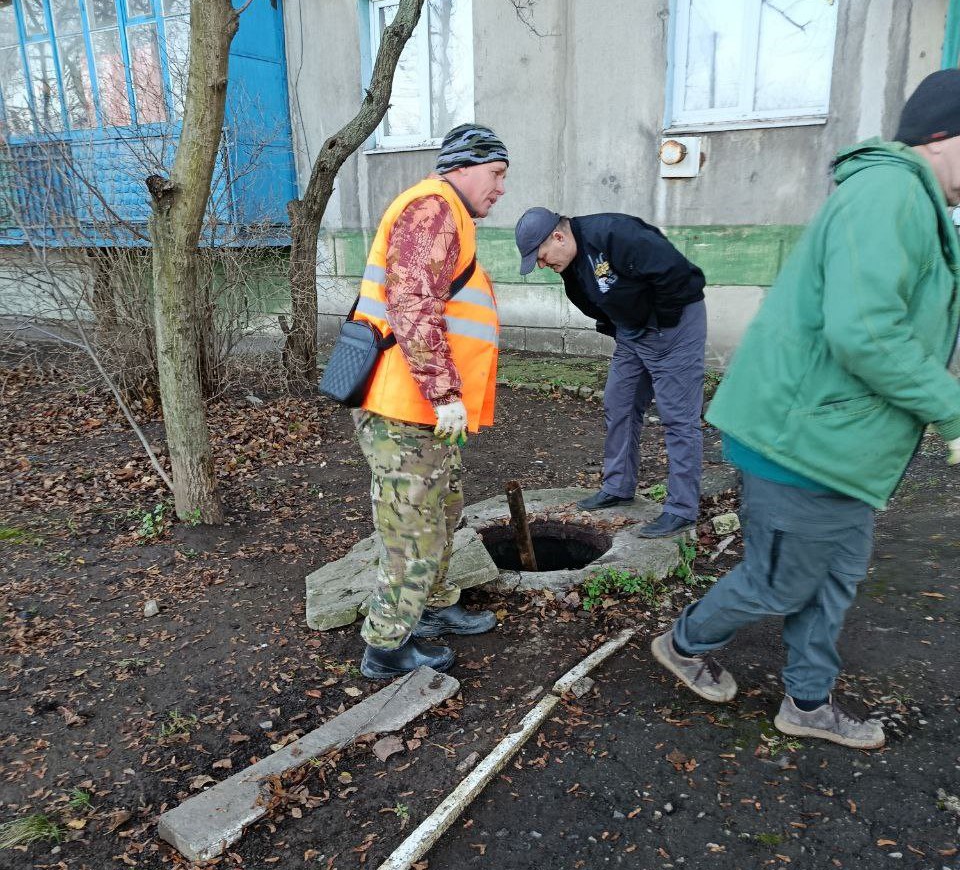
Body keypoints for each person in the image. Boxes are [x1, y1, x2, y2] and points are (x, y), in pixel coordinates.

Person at [651, 69, 960, 750]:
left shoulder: (912, 200)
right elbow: (866, 332)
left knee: (832, 581)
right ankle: (683, 643)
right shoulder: (888, 193)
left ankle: (808, 703)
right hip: (803, 441)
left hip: (838, 445)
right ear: (942, 136)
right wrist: (951, 408)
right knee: (781, 583)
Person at [352, 124, 508, 680]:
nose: (501, 188)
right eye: (496, 174)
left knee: (441, 513)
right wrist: (443, 392)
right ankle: (386, 647)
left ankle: (433, 609)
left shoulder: (450, 214)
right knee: (411, 529)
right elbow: (412, 302)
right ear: (462, 167)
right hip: (406, 408)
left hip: (425, 414)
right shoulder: (433, 207)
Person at [515, 208, 707, 537]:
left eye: (541, 257)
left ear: (558, 237)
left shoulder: (614, 234)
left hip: (672, 327)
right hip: (633, 332)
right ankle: (618, 486)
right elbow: (598, 304)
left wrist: (659, 323)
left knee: (678, 417)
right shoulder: (571, 267)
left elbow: (675, 273)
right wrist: (624, 329)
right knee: (619, 403)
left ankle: (681, 508)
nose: (543, 265)